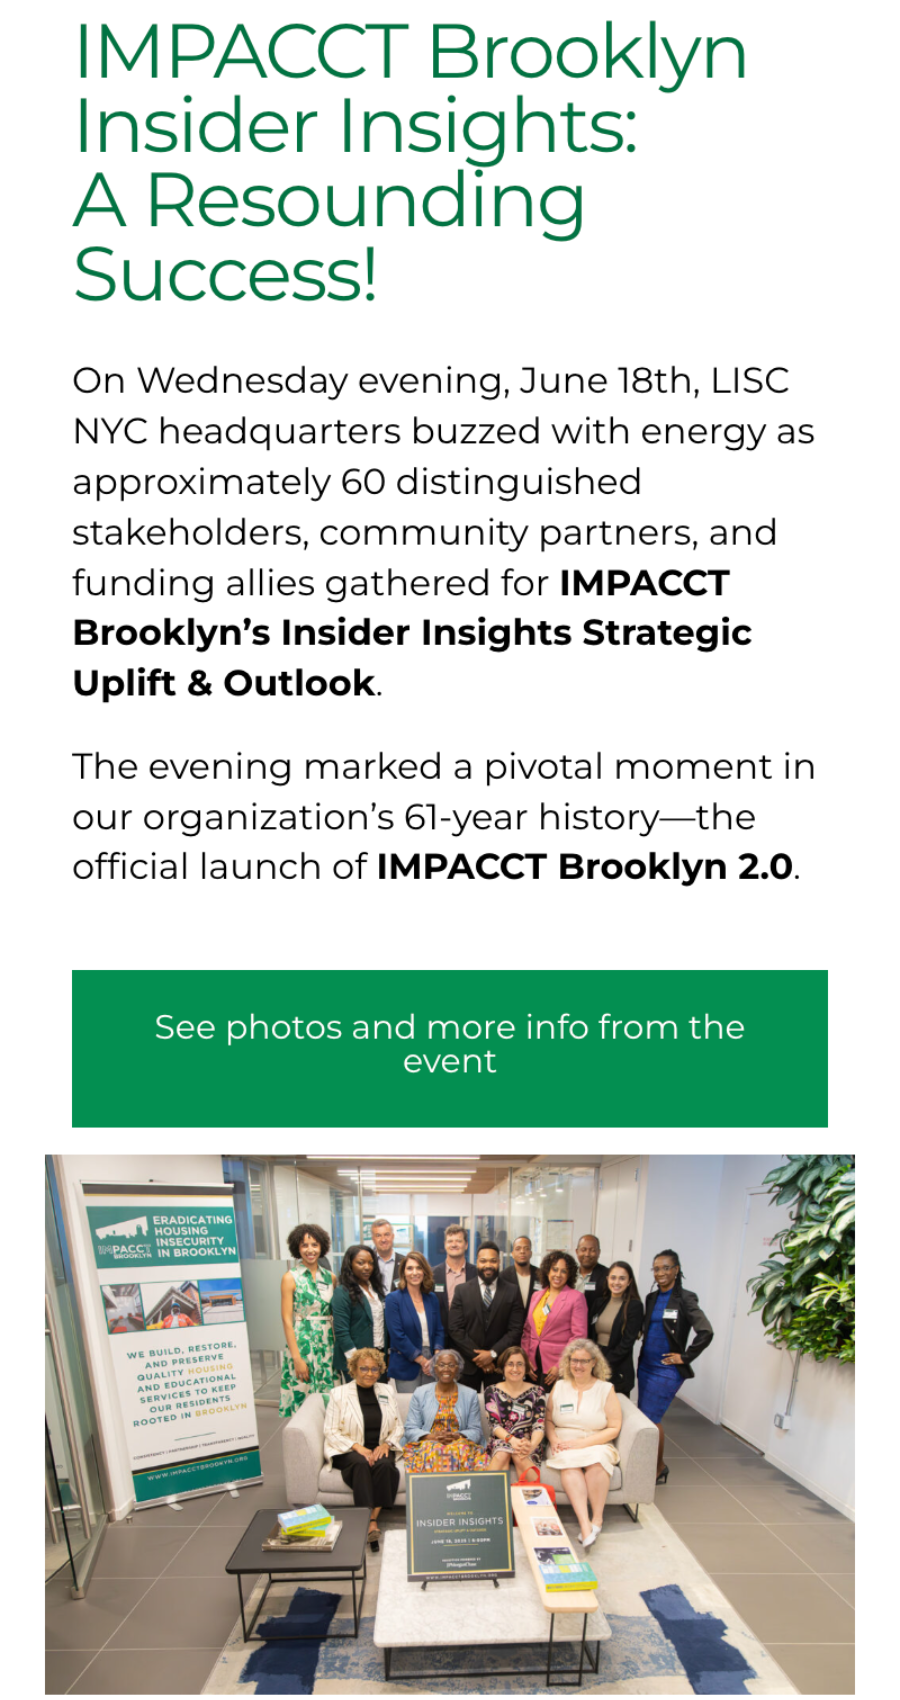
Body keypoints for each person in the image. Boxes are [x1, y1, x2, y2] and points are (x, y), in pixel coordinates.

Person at [638, 1248, 714, 1482]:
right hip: (646, 1365)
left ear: (676, 1270)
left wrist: (685, 1356)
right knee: (645, 1418)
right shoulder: (651, 1298)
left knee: (650, 1419)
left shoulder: (686, 1298)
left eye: (666, 1268)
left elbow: (706, 1331)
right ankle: (650, 1464)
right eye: (656, 1269)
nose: (660, 1273)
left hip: (667, 1369)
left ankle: (657, 1467)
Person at [323, 1347, 404, 1550]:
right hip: (349, 1449)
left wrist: (386, 1444)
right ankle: (370, 1524)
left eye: (375, 1369)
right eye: (364, 1368)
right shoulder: (338, 1394)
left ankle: (370, 1520)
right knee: (361, 1464)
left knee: (385, 1466)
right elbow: (330, 1431)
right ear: (353, 1369)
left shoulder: (387, 1391)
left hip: (379, 1447)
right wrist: (358, 1447)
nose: (370, 1373)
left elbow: (398, 1426)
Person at [543, 1338, 622, 1547]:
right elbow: (548, 1420)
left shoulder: (605, 1389)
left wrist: (583, 1443)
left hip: (596, 1441)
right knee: (569, 1465)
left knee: (597, 1462)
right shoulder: (560, 1386)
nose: (578, 1366)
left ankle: (597, 1519)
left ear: (594, 1362)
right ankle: (585, 1524)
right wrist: (554, 1439)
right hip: (563, 1441)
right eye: (574, 1360)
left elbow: (614, 1427)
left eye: (584, 1361)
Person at [448, 1240, 526, 1391]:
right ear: (477, 1262)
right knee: (467, 1406)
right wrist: (480, 1358)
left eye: (493, 1261)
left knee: (499, 1405)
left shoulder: (512, 1291)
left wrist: (492, 1354)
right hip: (469, 1366)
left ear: (499, 1262)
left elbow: (515, 1330)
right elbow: (455, 1329)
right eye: (483, 1261)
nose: (488, 1265)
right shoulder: (462, 1290)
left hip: (500, 1366)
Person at [279, 1223, 336, 1417]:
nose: (310, 1250)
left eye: (314, 1245)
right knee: (303, 1392)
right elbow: (287, 1320)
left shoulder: (330, 1278)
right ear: (297, 1248)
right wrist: (296, 1358)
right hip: (303, 1344)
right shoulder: (290, 1278)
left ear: (322, 1247)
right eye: (304, 1245)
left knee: (330, 1397)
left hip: (327, 1345)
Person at [402, 1349, 488, 1472]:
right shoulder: (420, 1393)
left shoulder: (470, 1395)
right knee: (435, 1451)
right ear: (434, 1368)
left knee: (459, 1450)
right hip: (428, 1441)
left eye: (451, 1365)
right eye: (441, 1365)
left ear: (458, 1368)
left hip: (459, 1441)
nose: (446, 1369)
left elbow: (476, 1430)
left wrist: (457, 1435)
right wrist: (432, 1437)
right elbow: (410, 1428)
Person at [521, 1250, 589, 1388]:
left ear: (569, 1275)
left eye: (563, 1271)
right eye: (555, 1269)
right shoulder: (536, 1296)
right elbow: (527, 1331)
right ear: (547, 1271)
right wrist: (526, 1359)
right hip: (533, 1364)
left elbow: (578, 1336)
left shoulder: (576, 1298)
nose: (558, 1274)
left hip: (556, 1365)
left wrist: (561, 1365)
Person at [384, 1251, 444, 1391]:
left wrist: (435, 1358)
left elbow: (439, 1330)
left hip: (432, 1361)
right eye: (410, 1268)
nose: (414, 1272)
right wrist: (422, 1360)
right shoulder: (393, 1299)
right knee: (410, 1404)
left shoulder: (432, 1298)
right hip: (406, 1361)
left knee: (430, 1403)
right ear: (403, 1272)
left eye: (419, 1268)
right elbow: (397, 1335)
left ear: (424, 1271)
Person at [484, 1346, 547, 1472]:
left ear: (526, 1367)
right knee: (503, 1452)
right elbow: (494, 1425)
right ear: (503, 1367)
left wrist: (531, 1446)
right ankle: (489, 1486)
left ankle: (531, 1487)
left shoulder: (538, 1392)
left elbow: (539, 1425)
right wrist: (511, 1440)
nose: (515, 1369)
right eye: (510, 1364)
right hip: (501, 1440)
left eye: (519, 1364)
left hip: (527, 1442)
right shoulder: (491, 1391)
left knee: (520, 1455)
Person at [332, 1244, 387, 1382]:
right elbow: (341, 1332)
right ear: (350, 1264)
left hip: (378, 1356)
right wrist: (357, 1361)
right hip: (355, 1360)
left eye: (370, 1263)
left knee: (378, 1394)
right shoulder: (342, 1292)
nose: (367, 1267)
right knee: (358, 1395)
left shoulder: (376, 1290)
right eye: (361, 1263)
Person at [594, 1261, 644, 1395]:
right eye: (613, 1277)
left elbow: (627, 1342)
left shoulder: (634, 1306)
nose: (616, 1282)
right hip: (595, 1361)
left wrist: (603, 1362)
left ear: (629, 1282)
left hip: (617, 1366)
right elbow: (591, 1335)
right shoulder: (600, 1302)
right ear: (607, 1279)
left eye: (622, 1278)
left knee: (616, 1407)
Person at [431, 1224, 478, 1336]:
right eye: (450, 1241)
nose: (454, 1244)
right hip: (441, 1336)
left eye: (458, 1241)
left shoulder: (476, 1274)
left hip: (469, 1336)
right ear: (445, 1245)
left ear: (466, 1245)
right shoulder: (432, 1274)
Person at [574, 1235, 610, 1335]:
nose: (587, 1254)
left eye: (592, 1250)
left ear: (599, 1252)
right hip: (570, 1329)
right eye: (583, 1249)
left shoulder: (607, 1275)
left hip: (594, 1331)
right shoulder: (568, 1274)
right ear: (577, 1251)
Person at [498, 1235, 541, 1312]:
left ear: (531, 1253)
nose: (522, 1251)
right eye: (518, 1249)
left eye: (526, 1248)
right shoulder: (503, 1276)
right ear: (512, 1254)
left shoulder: (541, 1275)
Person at [370, 1218, 404, 1295]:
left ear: (393, 1236)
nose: (383, 1240)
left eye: (387, 1234)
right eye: (378, 1235)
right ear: (373, 1239)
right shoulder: (368, 1262)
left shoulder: (404, 1262)